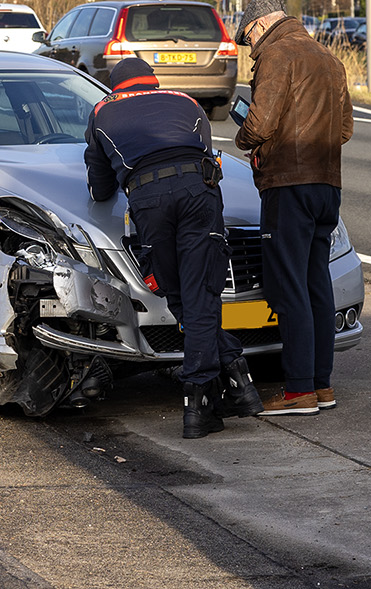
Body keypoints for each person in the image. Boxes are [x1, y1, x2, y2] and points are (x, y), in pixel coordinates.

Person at [85, 56, 261, 438]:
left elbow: (99, 186)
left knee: (179, 294)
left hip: (149, 201)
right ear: (153, 80)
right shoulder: (185, 100)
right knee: (199, 296)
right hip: (199, 194)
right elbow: (204, 151)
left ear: (115, 86)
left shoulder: (101, 112)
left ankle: (198, 404)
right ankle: (237, 382)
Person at [233, 0, 353, 416]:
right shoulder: (329, 58)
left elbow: (261, 121)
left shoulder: (277, 55)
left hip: (287, 185)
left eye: (248, 39)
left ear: (261, 24)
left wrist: (243, 138)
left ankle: (298, 389)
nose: (251, 49)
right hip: (327, 185)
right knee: (317, 284)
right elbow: (344, 129)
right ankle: (322, 386)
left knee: (288, 286)